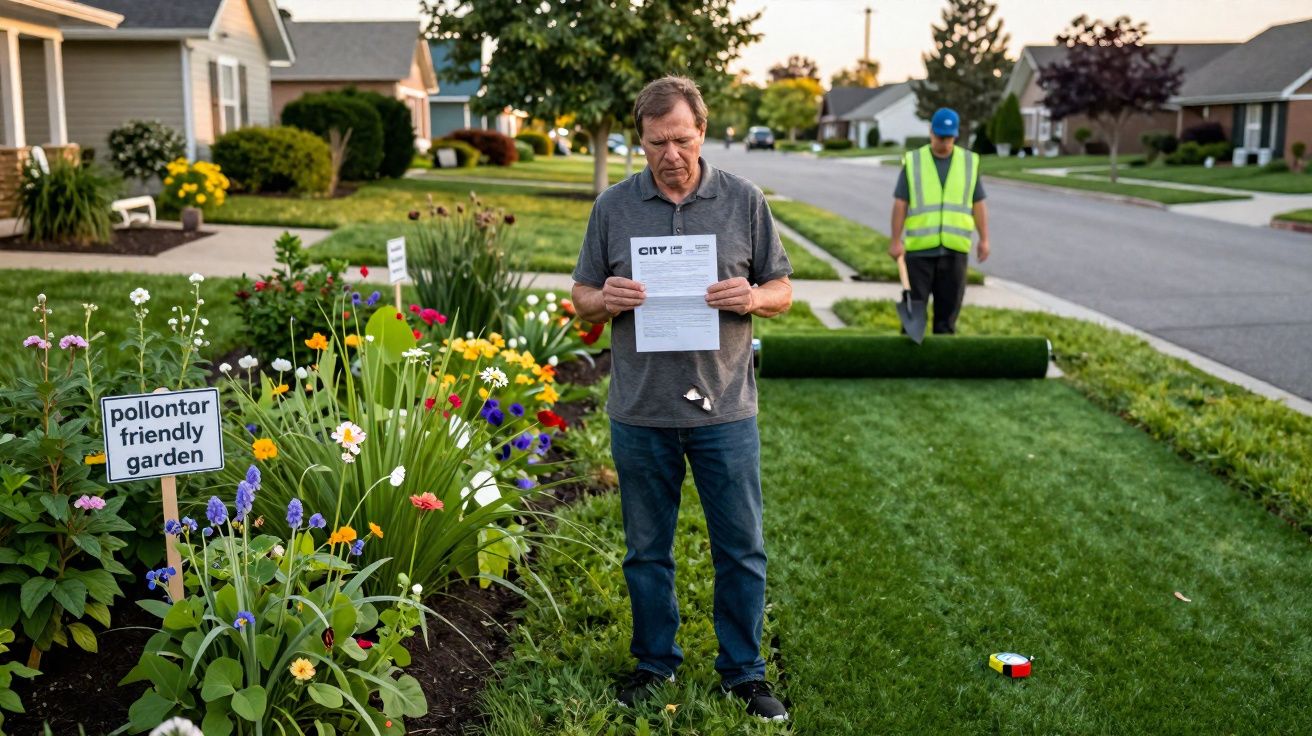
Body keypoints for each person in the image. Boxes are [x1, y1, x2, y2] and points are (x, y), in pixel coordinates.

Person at [570, 75, 793, 722]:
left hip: (724, 408)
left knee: (740, 548)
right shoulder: (614, 207)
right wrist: (602, 300)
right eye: (656, 142)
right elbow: (581, 296)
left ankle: (743, 673)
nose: (671, 154)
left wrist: (751, 297)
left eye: (683, 139)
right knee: (646, 550)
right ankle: (653, 663)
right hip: (640, 411)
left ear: (703, 131)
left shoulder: (742, 200)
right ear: (638, 141)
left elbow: (781, 288)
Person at [888, 107, 991, 334]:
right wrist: (896, 240)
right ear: (931, 132)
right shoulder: (914, 161)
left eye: (948, 137)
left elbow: (978, 203)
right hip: (920, 252)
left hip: (955, 251)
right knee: (915, 315)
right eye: (939, 136)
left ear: (955, 135)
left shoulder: (968, 162)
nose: (943, 142)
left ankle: (941, 364)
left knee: (947, 317)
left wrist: (984, 239)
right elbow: (900, 203)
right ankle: (912, 360)